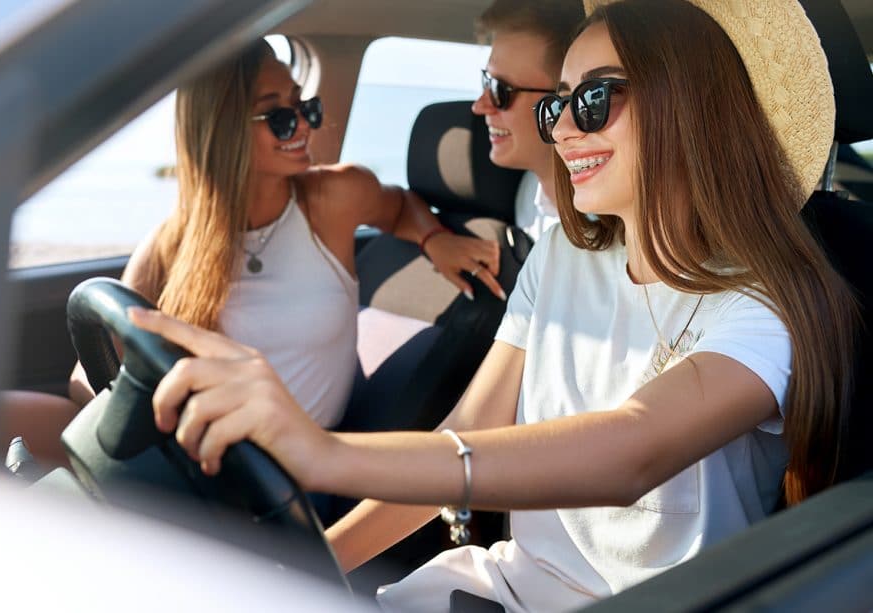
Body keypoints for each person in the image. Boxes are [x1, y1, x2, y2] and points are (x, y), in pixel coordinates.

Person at [129, 0, 858, 610]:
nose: (564, 127)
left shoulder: (761, 307)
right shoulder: (565, 256)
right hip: (500, 587)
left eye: (594, 100)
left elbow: (632, 450)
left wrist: (322, 455)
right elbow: (469, 428)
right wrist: (314, 566)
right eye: (560, 104)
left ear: (690, 107)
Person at [0, 39, 506, 465]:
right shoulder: (172, 242)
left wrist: (435, 239)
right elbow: (87, 375)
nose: (305, 127)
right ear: (223, 132)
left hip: (286, 478)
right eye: (281, 117)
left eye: (303, 106)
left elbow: (396, 207)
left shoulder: (333, 197)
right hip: (194, 458)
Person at [472, 1, 582, 241]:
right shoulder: (530, 190)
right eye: (487, 82)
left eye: (501, 89)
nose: (479, 106)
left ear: (564, 101)